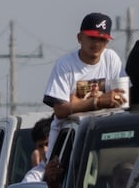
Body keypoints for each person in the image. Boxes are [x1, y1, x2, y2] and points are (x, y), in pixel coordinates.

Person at [43, 13, 126, 149]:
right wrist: (99, 101)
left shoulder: (111, 58)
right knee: (38, 172)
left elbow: (123, 99)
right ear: (80, 38)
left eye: (102, 39)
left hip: (106, 136)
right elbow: (60, 110)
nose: (97, 43)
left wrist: (78, 102)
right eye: (92, 37)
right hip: (66, 143)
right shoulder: (65, 64)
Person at [20, 116, 54, 184]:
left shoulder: (73, 164)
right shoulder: (35, 175)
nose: (45, 150)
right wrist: (46, 178)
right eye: (40, 146)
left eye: (47, 144)